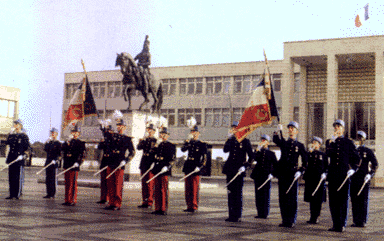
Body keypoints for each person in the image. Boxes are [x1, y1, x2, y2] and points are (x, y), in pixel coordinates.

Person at [325, 119, 360, 232]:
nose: (337, 128)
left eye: (339, 126)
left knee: (343, 200)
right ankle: (335, 224)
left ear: (343, 129)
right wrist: (331, 142)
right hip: (333, 175)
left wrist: (353, 169)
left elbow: (357, 158)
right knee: (333, 201)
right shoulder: (330, 141)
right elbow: (327, 154)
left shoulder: (348, 142)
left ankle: (342, 224)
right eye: (335, 126)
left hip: (343, 176)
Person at [273, 121, 307, 228]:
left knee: (292, 198)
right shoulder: (284, 143)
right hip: (283, 174)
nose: (291, 130)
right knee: (283, 197)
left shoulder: (300, 145)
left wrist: (300, 171)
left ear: (297, 131)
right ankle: (285, 220)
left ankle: (292, 220)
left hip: (292, 174)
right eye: (289, 128)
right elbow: (275, 140)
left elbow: (305, 161)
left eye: (293, 128)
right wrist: (277, 131)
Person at [223, 121, 253, 222]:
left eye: (237, 128)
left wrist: (245, 166)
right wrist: (228, 137)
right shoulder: (231, 140)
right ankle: (231, 215)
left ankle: (238, 215)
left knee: (238, 193)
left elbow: (252, 156)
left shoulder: (245, 141)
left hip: (239, 171)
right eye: (233, 128)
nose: (235, 129)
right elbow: (225, 150)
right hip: (230, 170)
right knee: (230, 192)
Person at [105, 119, 135, 210]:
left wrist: (126, 160)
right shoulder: (112, 136)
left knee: (118, 185)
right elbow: (105, 135)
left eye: (121, 126)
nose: (120, 127)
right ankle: (111, 202)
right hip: (111, 162)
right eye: (118, 126)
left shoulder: (127, 139)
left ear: (125, 127)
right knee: (110, 184)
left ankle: (117, 204)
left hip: (119, 164)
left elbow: (132, 152)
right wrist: (104, 126)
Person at [350, 130, 378, 228]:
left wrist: (370, 174)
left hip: (363, 179)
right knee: (354, 200)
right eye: (357, 138)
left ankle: (362, 221)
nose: (358, 140)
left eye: (360, 138)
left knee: (363, 200)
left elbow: (375, 164)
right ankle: (355, 220)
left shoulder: (368, 151)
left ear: (364, 140)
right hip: (354, 179)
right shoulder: (353, 151)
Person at [181, 125, 207, 213]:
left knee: (194, 188)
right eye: (192, 132)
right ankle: (189, 205)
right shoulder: (189, 142)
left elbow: (204, 157)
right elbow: (182, 150)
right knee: (187, 187)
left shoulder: (202, 144)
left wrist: (200, 166)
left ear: (198, 133)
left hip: (196, 167)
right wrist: (187, 142)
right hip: (188, 166)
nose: (193, 133)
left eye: (195, 132)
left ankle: (194, 205)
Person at [251, 134, 277, 219]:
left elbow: (276, 165)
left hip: (266, 176)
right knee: (258, 194)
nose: (262, 141)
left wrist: (272, 174)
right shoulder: (258, 152)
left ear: (268, 143)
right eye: (262, 140)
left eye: (264, 140)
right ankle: (259, 212)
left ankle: (265, 213)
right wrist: (257, 149)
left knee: (265, 195)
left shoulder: (271, 153)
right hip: (258, 176)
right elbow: (253, 158)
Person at [1, 119, 30, 200]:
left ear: (20, 125)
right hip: (12, 159)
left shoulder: (24, 136)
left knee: (18, 178)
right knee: (11, 177)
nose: (14, 125)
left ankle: (17, 194)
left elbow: (28, 149)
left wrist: (23, 156)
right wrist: (9, 134)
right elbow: (7, 143)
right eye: (14, 124)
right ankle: (11, 194)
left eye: (16, 124)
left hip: (19, 160)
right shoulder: (12, 135)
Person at [151, 127, 176, 215]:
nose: (162, 136)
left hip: (164, 169)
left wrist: (168, 166)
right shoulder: (159, 145)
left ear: (167, 135)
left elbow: (173, 159)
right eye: (161, 134)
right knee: (156, 189)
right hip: (157, 169)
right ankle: (157, 208)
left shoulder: (171, 145)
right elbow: (152, 153)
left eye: (164, 134)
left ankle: (163, 208)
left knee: (163, 189)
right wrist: (155, 146)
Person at [303, 136, 328, 224]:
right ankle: (312, 217)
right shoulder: (309, 153)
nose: (314, 144)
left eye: (316, 142)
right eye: (313, 142)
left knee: (318, 199)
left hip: (319, 180)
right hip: (311, 179)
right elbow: (304, 161)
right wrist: (309, 152)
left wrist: (325, 174)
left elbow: (326, 167)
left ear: (319, 144)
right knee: (311, 199)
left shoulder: (323, 155)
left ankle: (316, 216)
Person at [61, 125, 85, 206]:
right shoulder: (68, 142)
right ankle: (67, 199)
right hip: (67, 164)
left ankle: (72, 200)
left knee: (73, 183)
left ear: (79, 134)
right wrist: (67, 141)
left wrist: (78, 162)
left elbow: (82, 155)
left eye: (76, 132)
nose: (74, 134)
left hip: (74, 165)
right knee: (67, 183)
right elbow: (62, 149)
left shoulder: (80, 143)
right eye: (73, 132)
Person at [137, 123, 157, 208]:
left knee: (150, 184)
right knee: (144, 184)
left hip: (150, 163)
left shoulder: (155, 141)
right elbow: (138, 148)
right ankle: (144, 201)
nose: (149, 131)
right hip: (144, 163)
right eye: (148, 130)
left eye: (151, 130)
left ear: (154, 131)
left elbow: (156, 152)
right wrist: (142, 141)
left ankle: (149, 202)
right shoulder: (145, 140)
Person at [96, 124, 114, 204]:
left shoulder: (112, 141)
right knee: (103, 181)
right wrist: (101, 141)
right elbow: (99, 147)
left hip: (110, 161)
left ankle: (109, 198)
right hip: (104, 161)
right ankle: (103, 198)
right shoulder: (105, 140)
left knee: (109, 182)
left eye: (109, 131)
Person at [43, 127, 62, 199]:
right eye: (51, 133)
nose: (52, 134)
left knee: (53, 179)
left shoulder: (58, 143)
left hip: (54, 163)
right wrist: (47, 142)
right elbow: (45, 149)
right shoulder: (50, 142)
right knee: (48, 179)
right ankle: (48, 193)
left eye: (53, 133)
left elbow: (60, 154)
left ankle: (53, 194)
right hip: (48, 162)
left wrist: (56, 160)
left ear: (56, 134)